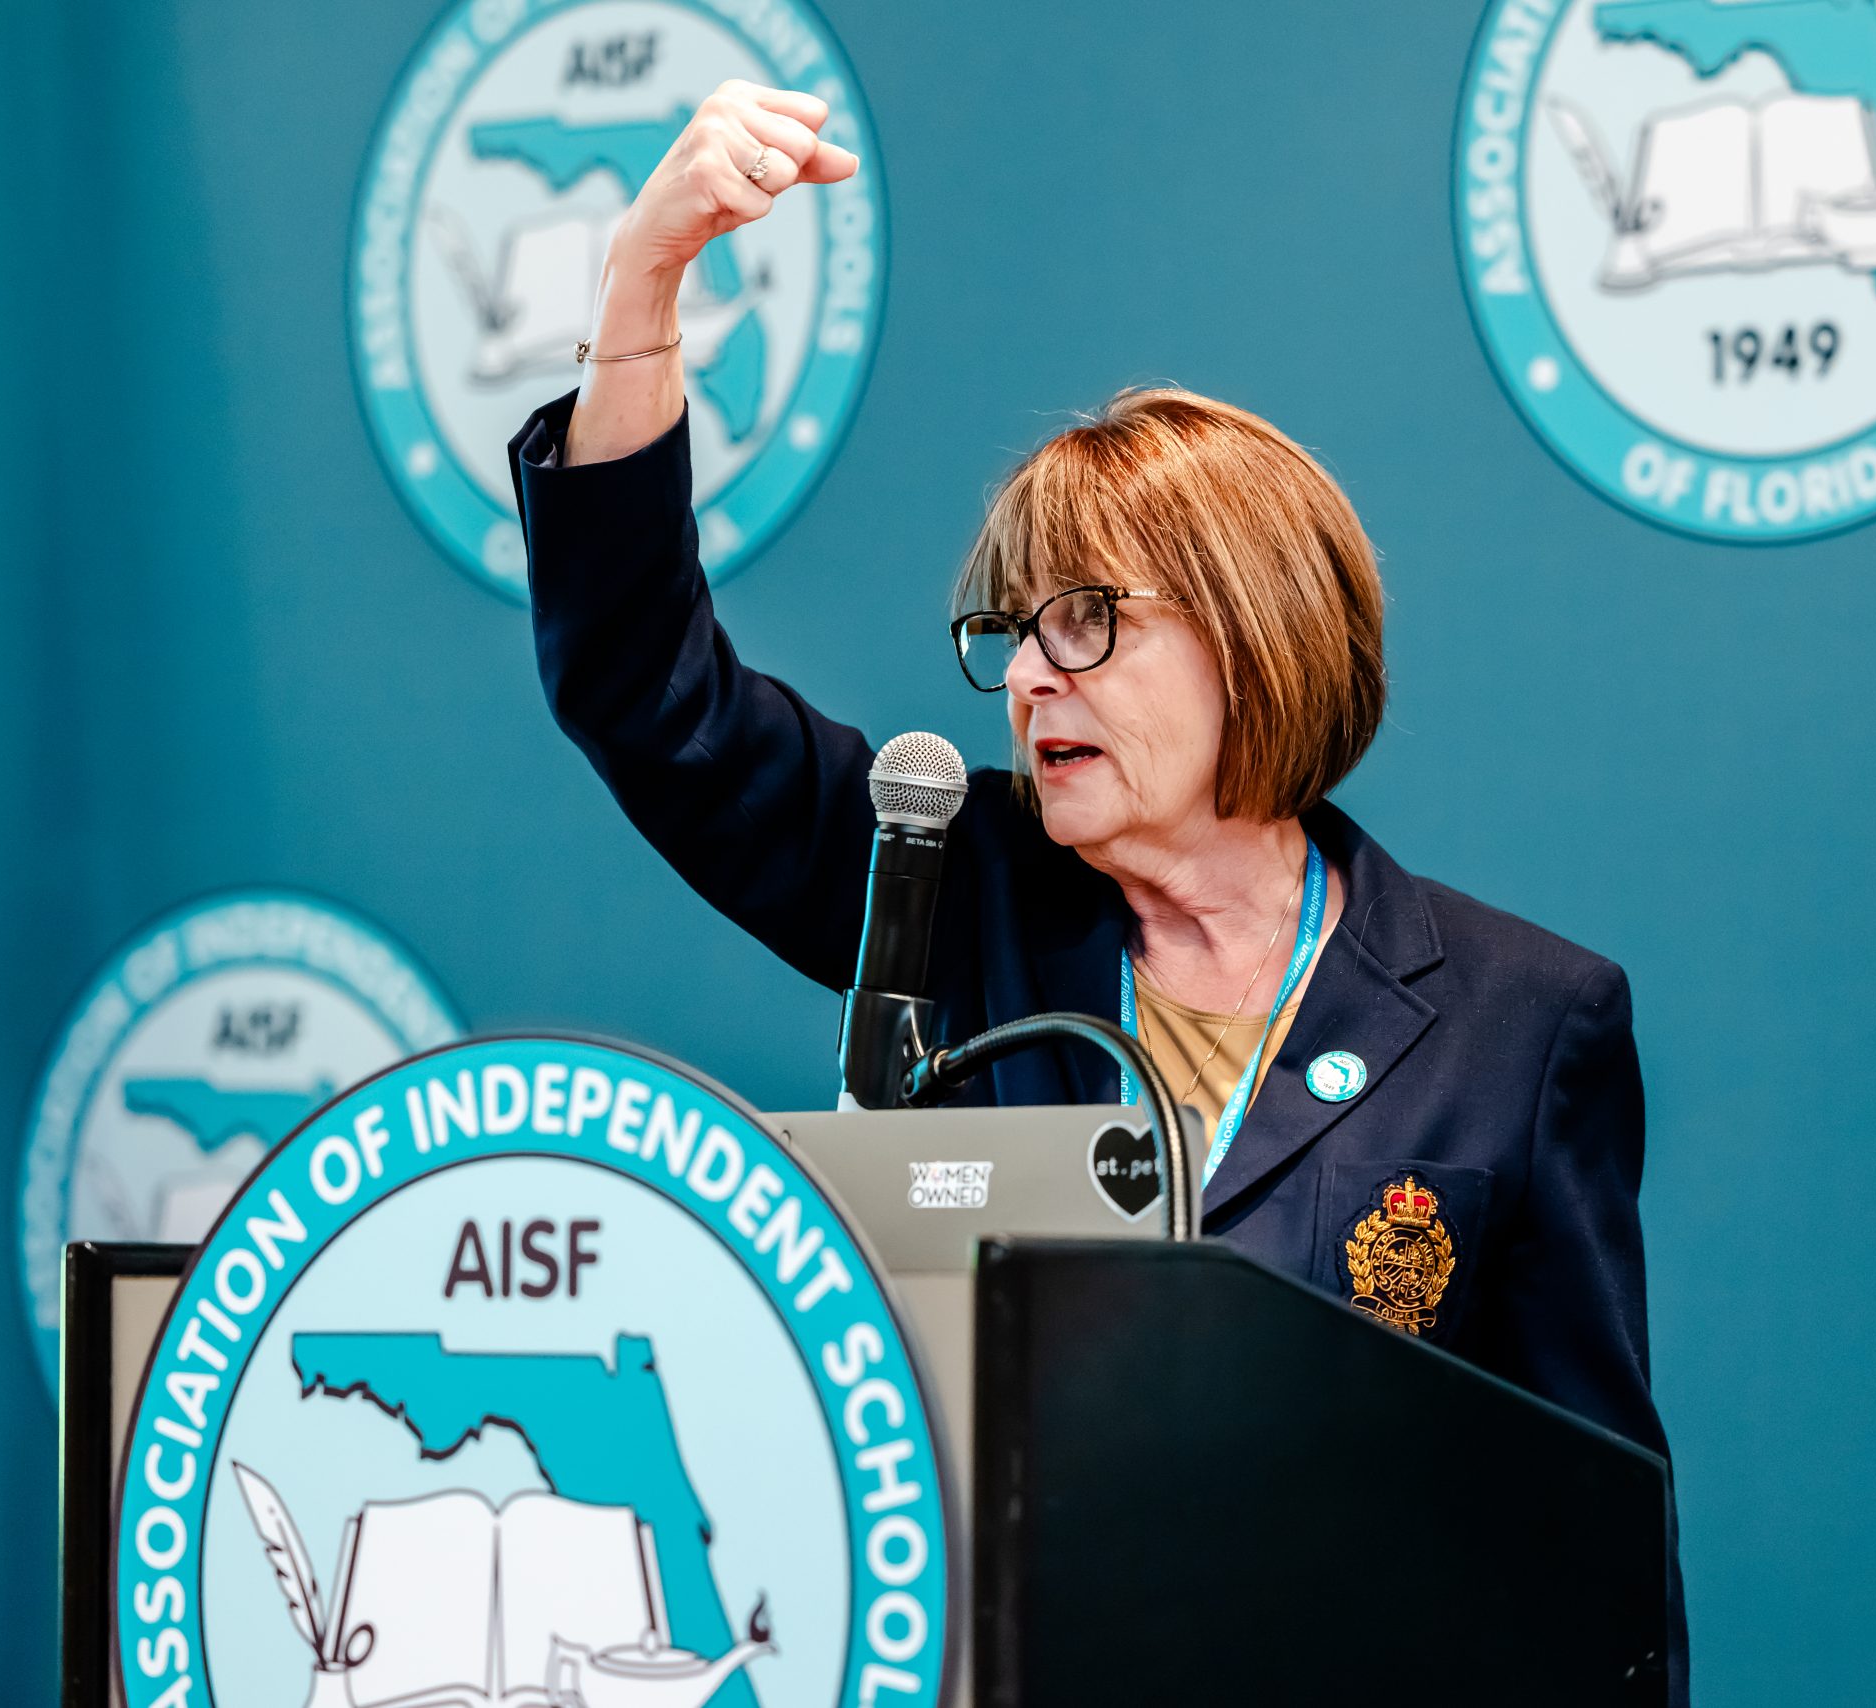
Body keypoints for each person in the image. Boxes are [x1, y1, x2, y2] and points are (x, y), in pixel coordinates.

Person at [508, 81, 1685, 1697]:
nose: (1027, 678)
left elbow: (1591, 1557)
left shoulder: (1522, 1022)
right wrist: (642, 287)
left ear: (1255, 627)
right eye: (1012, 632)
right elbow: (647, 694)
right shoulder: (942, 883)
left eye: (1085, 622)